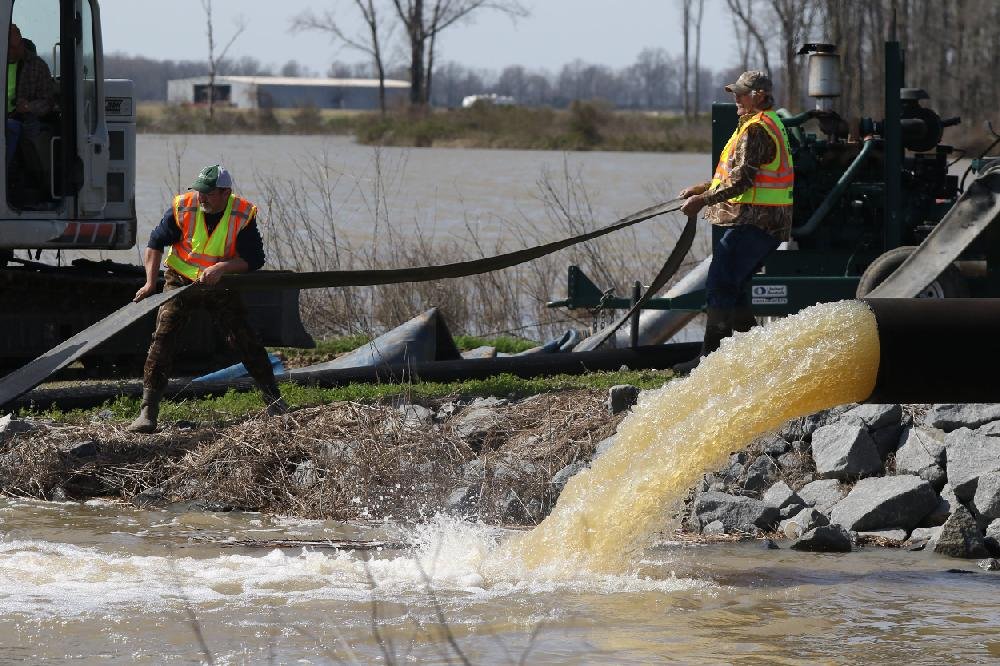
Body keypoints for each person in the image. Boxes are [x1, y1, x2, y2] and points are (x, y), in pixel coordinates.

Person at [128, 164, 288, 433]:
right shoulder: (184, 207)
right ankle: (148, 412)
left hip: (219, 284)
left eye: (208, 193)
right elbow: (155, 243)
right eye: (199, 191)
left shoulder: (242, 214)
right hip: (180, 281)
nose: (201, 197)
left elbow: (254, 259)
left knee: (244, 338)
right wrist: (149, 283)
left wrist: (221, 268)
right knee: (163, 338)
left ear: (226, 193)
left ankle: (275, 402)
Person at [673, 70, 794, 372]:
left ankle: (710, 361)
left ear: (759, 96)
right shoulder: (759, 124)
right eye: (735, 93)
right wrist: (702, 188)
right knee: (735, 287)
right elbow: (733, 175)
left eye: (742, 93)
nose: (736, 98)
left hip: (757, 221)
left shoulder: (757, 130)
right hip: (766, 222)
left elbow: (741, 183)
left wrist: (702, 201)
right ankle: (754, 358)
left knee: (720, 283)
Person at [6, 24, 53, 173]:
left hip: (24, 119)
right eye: (8, 47)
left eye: (14, 47)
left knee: (11, 128)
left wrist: (28, 107)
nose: (11, 51)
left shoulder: (37, 66)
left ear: (21, 43)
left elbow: (47, 102)